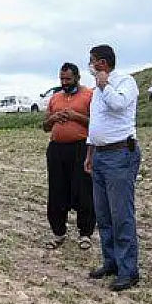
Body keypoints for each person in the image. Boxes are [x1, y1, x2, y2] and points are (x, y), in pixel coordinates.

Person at [83, 44, 142, 292]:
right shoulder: (96, 90)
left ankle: (129, 270)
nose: (90, 66)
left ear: (103, 63)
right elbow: (96, 124)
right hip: (100, 155)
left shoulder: (125, 83)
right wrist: (89, 153)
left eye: (92, 62)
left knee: (121, 215)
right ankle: (112, 262)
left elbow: (118, 105)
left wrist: (105, 85)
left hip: (120, 154)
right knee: (104, 214)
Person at [43, 63, 95, 250]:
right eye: (62, 79)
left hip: (81, 148)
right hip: (57, 149)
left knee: (83, 190)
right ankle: (58, 232)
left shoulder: (89, 95)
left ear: (77, 78)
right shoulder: (55, 97)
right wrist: (54, 118)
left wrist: (75, 116)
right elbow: (45, 126)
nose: (64, 82)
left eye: (68, 79)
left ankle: (85, 233)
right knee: (57, 191)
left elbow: (97, 124)